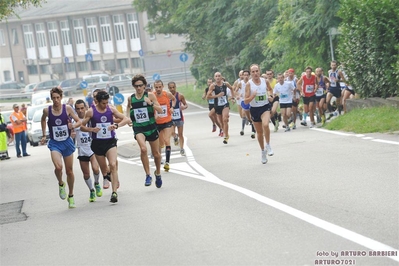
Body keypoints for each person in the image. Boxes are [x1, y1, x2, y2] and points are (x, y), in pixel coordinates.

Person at [80, 90, 129, 203]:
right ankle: (108, 177)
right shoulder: (91, 112)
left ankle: (114, 193)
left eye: (107, 102)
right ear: (97, 101)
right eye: (103, 103)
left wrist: (116, 125)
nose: (105, 105)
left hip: (110, 141)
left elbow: (126, 119)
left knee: (112, 164)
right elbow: (82, 126)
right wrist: (91, 129)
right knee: (105, 170)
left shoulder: (110, 109)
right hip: (97, 144)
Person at [40, 87, 82, 208]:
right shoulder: (47, 110)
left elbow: (79, 121)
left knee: (69, 171)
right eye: (54, 98)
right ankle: (60, 183)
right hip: (55, 143)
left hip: (67, 142)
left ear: (61, 97)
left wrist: (72, 125)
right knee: (58, 167)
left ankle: (71, 195)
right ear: (51, 98)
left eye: (58, 97)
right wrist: (44, 134)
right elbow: (43, 120)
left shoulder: (67, 109)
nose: (56, 100)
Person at [127, 74, 164, 188]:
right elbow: (128, 109)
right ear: (134, 86)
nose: (138, 88)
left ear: (144, 86)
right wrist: (128, 118)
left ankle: (157, 173)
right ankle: (148, 175)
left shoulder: (150, 95)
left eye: (141, 85)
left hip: (151, 127)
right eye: (136, 86)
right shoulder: (131, 98)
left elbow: (161, 110)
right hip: (139, 128)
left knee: (156, 154)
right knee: (143, 149)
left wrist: (151, 103)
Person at [244, 64, 274, 164]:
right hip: (254, 109)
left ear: (259, 71)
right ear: (250, 73)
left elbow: (270, 89)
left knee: (266, 124)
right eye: (253, 72)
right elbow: (246, 101)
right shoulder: (249, 84)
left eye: (257, 71)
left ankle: (268, 145)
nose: (255, 73)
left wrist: (270, 95)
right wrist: (252, 96)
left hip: (265, 107)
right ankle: (262, 151)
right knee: (260, 133)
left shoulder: (264, 81)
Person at [74, 99, 102, 202]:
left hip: (92, 148)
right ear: (75, 110)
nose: (80, 110)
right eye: (78, 109)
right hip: (82, 150)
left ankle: (97, 183)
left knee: (95, 168)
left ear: (86, 108)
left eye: (82, 108)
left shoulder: (91, 119)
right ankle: (91, 190)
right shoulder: (74, 121)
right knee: (86, 174)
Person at [154, 79, 176, 172]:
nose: (158, 89)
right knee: (160, 143)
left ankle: (167, 162)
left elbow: (174, 99)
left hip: (167, 121)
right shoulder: (152, 95)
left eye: (160, 87)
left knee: (167, 140)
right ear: (154, 88)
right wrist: (154, 115)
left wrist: (172, 107)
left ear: (162, 87)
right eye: (156, 87)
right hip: (157, 123)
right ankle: (159, 159)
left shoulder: (167, 94)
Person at [206, 72, 234, 144]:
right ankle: (224, 131)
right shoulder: (213, 86)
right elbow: (208, 97)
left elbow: (232, 88)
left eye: (219, 76)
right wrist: (217, 96)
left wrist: (232, 97)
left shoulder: (225, 84)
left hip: (225, 104)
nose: (218, 77)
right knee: (221, 122)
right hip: (217, 106)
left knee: (225, 119)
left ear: (221, 77)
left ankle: (226, 136)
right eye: (216, 76)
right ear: (214, 78)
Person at [168, 81, 188, 154]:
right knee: (172, 132)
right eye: (170, 88)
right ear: (168, 88)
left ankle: (182, 148)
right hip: (171, 118)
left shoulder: (180, 96)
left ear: (175, 87)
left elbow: (186, 105)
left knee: (181, 134)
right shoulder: (167, 96)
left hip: (179, 117)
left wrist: (183, 107)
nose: (172, 89)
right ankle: (175, 137)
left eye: (173, 87)